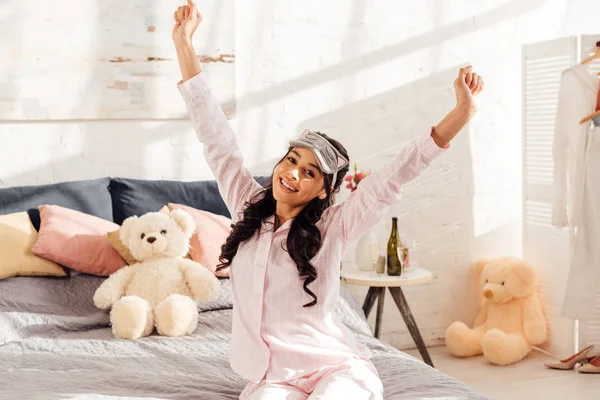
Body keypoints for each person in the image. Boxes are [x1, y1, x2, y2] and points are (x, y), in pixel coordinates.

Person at [172, 1, 484, 399]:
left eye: (309, 172)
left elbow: (398, 172)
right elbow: (215, 136)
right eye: (291, 160)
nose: (292, 173)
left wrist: (461, 112)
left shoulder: (334, 225)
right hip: (272, 378)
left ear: (323, 189)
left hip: (335, 370)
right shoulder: (247, 204)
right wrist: (184, 42)